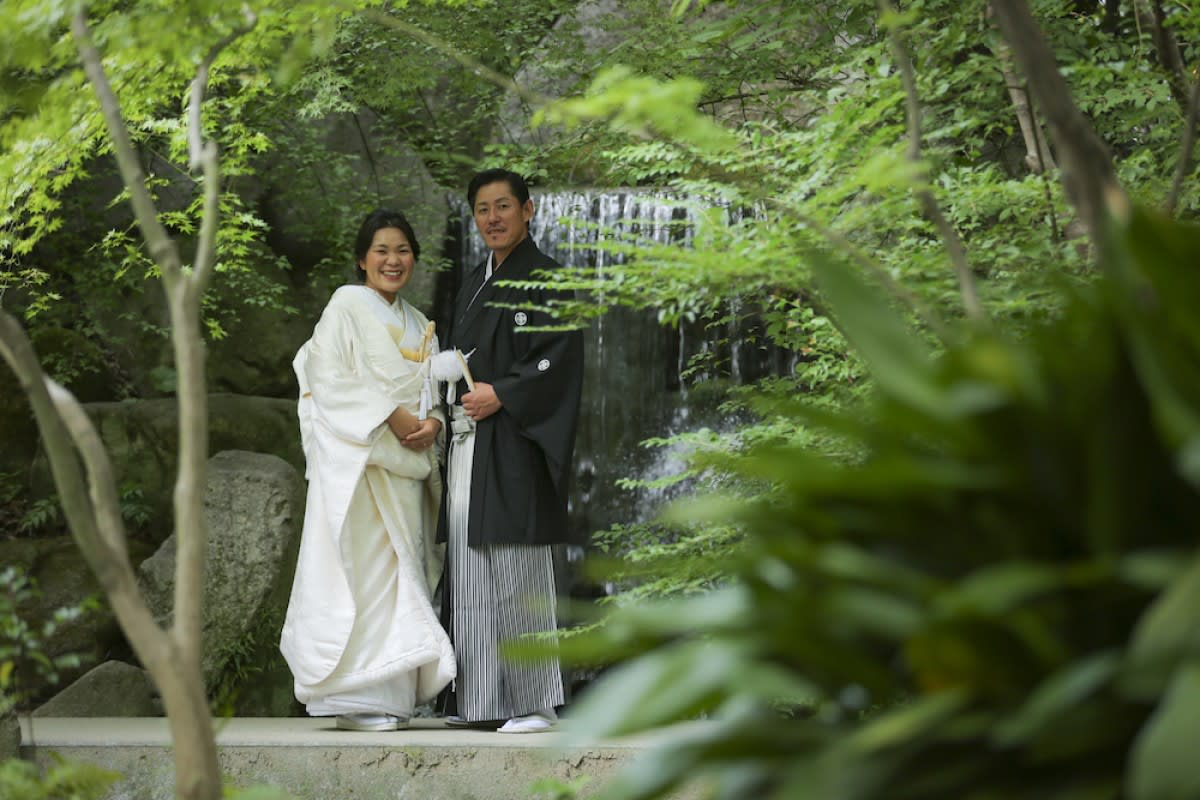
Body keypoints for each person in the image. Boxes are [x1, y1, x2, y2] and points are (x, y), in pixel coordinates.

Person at [280, 209, 456, 732]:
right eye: (381, 250)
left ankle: (392, 698)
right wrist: (394, 416)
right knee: (362, 575)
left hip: (406, 464)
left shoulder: (419, 320)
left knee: (402, 577)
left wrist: (433, 422)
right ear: (362, 259)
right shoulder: (345, 305)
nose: (392, 260)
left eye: (402, 250)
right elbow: (327, 376)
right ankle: (355, 697)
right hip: (362, 462)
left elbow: (434, 390)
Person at [439, 168, 584, 734]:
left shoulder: (546, 278)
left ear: (528, 209)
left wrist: (504, 392)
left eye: (503, 206)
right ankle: (482, 700)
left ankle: (536, 700)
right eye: (482, 209)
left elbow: (559, 357)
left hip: (516, 444)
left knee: (516, 564)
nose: (492, 218)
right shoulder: (474, 282)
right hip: (470, 440)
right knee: (472, 569)